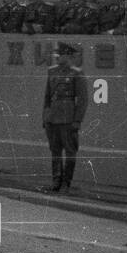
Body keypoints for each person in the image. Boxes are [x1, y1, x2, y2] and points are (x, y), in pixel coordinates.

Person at [42, 42, 88, 193]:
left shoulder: (76, 73)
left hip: (68, 118)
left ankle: (66, 183)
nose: (58, 57)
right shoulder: (52, 71)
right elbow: (47, 97)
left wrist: (77, 120)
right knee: (55, 151)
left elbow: (83, 100)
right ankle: (56, 180)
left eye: (60, 55)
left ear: (68, 56)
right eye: (57, 54)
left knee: (70, 151)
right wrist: (45, 117)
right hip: (53, 117)